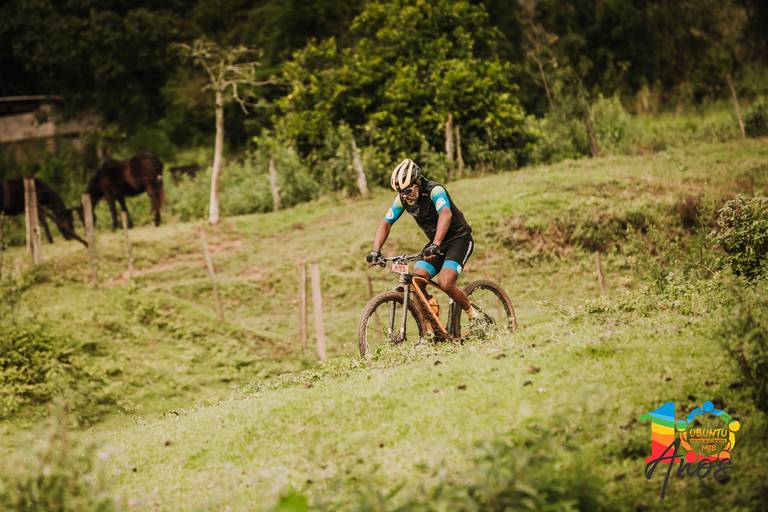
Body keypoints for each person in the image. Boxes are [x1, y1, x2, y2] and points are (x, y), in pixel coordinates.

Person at [366, 158, 484, 333]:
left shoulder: (435, 191)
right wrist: (376, 250)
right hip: (436, 244)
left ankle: (474, 315)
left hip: (459, 239)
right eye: (400, 192)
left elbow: (445, 214)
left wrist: (436, 244)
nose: (405, 196)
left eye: (408, 190)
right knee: (416, 281)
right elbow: (386, 223)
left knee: (445, 282)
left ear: (418, 183)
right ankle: (430, 329)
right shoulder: (403, 199)